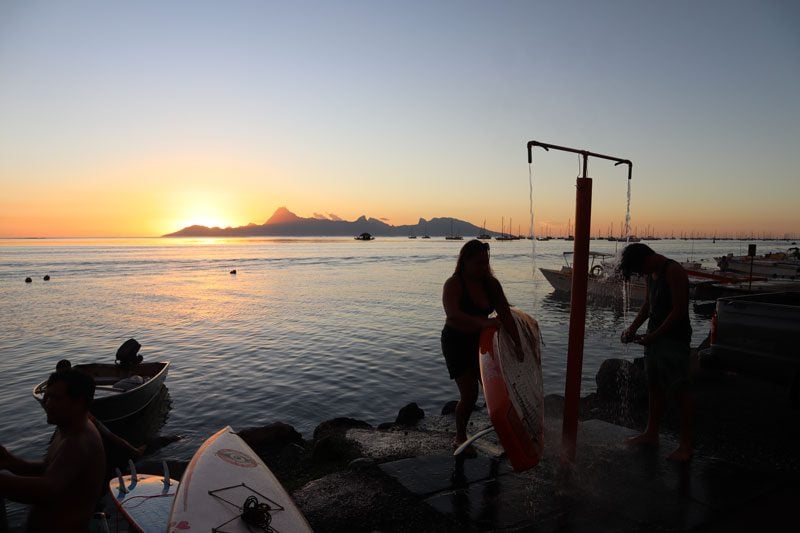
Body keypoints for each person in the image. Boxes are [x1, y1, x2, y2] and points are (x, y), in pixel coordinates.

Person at [0, 369, 106, 532]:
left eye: (55, 398)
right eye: (46, 397)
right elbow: (54, 470)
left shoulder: (79, 441)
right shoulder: (67, 429)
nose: (46, 403)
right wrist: (12, 462)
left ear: (79, 402)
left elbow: (47, 490)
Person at [441, 239, 522, 453]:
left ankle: (505, 435)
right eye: (478, 263)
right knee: (469, 394)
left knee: (496, 391)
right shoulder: (454, 284)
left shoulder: (491, 284)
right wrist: (484, 322)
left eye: (485, 262)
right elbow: (453, 314)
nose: (483, 267)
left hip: (481, 343)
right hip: (455, 342)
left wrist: (518, 344)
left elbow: (504, 313)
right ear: (464, 262)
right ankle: (460, 436)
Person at [619, 243, 693, 461]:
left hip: (674, 340)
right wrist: (632, 329)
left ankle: (686, 446)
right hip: (654, 338)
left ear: (646, 258)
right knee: (654, 386)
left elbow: (679, 310)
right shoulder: (651, 273)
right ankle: (651, 433)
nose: (640, 273)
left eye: (638, 269)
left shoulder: (674, 271)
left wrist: (655, 335)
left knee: (681, 390)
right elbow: (647, 306)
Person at [55, 360, 145, 459]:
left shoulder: (62, 383)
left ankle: (134, 451)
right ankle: (135, 451)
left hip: (82, 416)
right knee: (108, 435)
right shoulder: (67, 384)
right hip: (83, 416)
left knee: (107, 435)